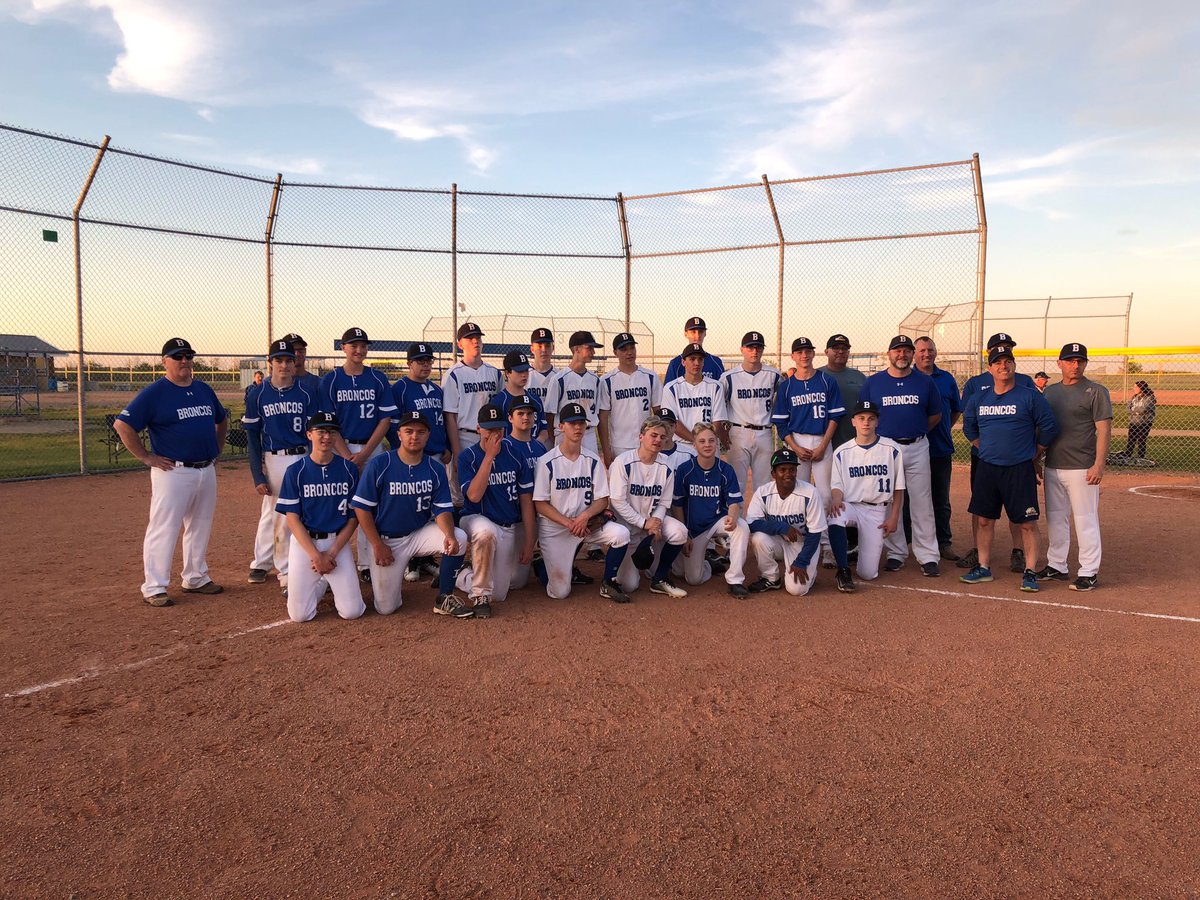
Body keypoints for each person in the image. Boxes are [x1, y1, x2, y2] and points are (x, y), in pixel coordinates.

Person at [113, 337, 228, 607]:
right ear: (165, 362)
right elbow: (123, 425)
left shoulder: (203, 389)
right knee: (164, 528)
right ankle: (154, 586)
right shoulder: (155, 392)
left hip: (205, 468)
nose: (185, 361)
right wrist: (146, 457)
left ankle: (196, 577)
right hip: (173, 471)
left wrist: (216, 449)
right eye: (178, 357)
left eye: (188, 356)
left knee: (200, 526)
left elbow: (221, 420)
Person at [351, 411, 472, 617]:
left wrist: (450, 535)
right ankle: (395, 581)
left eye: (420, 432)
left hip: (418, 534)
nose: (414, 436)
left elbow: (442, 509)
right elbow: (362, 508)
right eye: (409, 431)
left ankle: (444, 596)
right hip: (387, 541)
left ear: (428, 436)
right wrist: (377, 545)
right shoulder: (381, 464)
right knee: (386, 608)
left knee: (458, 537)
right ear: (399, 434)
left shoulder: (434, 467)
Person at [960, 346, 1058, 592]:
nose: (1003, 366)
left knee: (1027, 523)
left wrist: (1035, 454)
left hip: (1018, 469)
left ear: (1014, 365)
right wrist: (983, 447)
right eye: (998, 362)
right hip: (988, 468)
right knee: (984, 520)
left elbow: (1048, 426)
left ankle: (1030, 571)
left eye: (1008, 361)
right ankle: (983, 567)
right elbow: (969, 427)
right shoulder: (979, 398)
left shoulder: (1029, 395)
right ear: (990, 368)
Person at [859, 335, 943, 577]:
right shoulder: (874, 383)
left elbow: (935, 415)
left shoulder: (924, 382)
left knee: (921, 502)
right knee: (888, 500)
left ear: (912, 355)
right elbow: (865, 416)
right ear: (889, 354)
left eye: (907, 351)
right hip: (885, 447)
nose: (902, 355)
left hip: (917, 445)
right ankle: (896, 553)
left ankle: (928, 555)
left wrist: (915, 430)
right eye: (898, 351)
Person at [318, 327, 398, 580]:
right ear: (343, 348)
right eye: (353, 345)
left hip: (370, 449)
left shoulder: (377, 379)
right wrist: (347, 455)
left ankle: (365, 563)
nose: (359, 350)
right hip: (339, 449)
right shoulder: (330, 380)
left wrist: (364, 455)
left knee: (370, 505)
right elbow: (328, 424)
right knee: (335, 503)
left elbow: (386, 419)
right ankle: (328, 556)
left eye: (363, 345)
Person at [532, 402, 632, 602]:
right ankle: (541, 565)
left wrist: (584, 517)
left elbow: (603, 499)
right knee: (560, 592)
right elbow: (540, 504)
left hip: (586, 525)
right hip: (556, 529)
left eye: (581, 423)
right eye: (572, 423)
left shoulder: (593, 460)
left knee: (621, 534)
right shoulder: (547, 461)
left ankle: (608, 582)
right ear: (562, 426)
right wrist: (569, 523)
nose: (577, 428)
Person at [958, 333, 1038, 573]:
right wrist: (983, 444)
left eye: (1008, 349)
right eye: (998, 349)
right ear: (989, 356)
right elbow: (969, 418)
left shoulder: (1024, 381)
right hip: (984, 456)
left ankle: (1018, 551)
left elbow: (1036, 419)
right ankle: (978, 551)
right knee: (981, 505)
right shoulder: (975, 383)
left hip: (1018, 455)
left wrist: (1031, 449)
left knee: (1019, 506)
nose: (1003, 354)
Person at [275, 412, 366, 622]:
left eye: (332, 431)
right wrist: (316, 556)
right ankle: (321, 578)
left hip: (337, 543)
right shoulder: (296, 471)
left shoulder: (348, 469)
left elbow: (353, 518)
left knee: (352, 612)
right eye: (321, 431)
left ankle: (324, 578)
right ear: (309, 434)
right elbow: (292, 519)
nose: (327, 436)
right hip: (305, 544)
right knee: (300, 616)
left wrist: (331, 554)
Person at [244, 339, 318, 593]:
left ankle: (303, 565)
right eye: (279, 360)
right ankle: (285, 572)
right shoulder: (258, 394)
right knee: (280, 517)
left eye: (289, 359)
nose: (285, 365)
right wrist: (257, 473)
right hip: (274, 458)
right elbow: (252, 438)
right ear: (270, 362)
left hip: (303, 456)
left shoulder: (306, 392)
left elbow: (314, 432)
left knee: (305, 512)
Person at [1037, 343, 1112, 592]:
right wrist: (1038, 460)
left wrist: (1099, 464)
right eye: (1070, 360)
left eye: (1080, 360)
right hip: (1054, 465)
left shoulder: (1096, 391)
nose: (1075, 365)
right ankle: (1057, 564)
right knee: (1056, 518)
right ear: (1059, 364)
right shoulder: (1049, 393)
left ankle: (1089, 571)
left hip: (1082, 467)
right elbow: (1042, 429)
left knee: (1085, 519)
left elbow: (1103, 429)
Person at [454, 404, 537, 617]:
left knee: (503, 591)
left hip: (508, 525)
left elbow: (527, 501)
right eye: (489, 429)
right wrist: (489, 457)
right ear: (478, 428)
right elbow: (473, 496)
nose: (494, 434)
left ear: (505, 429)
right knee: (486, 532)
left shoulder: (515, 455)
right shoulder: (468, 457)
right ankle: (478, 592)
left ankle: (464, 574)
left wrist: (529, 542)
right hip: (476, 518)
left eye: (498, 429)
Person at [826, 401, 905, 593]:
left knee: (868, 573)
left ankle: (856, 551)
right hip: (852, 506)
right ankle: (843, 570)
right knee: (835, 515)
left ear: (877, 422)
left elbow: (899, 488)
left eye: (871, 418)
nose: (866, 423)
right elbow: (837, 486)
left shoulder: (892, 449)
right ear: (853, 422)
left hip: (877, 510)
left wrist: (893, 517)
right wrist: (836, 499)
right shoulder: (842, 452)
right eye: (861, 418)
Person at [608, 416, 690, 598]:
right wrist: (644, 523)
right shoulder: (623, 462)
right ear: (641, 437)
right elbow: (617, 501)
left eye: (662, 437)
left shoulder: (666, 466)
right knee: (629, 585)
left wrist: (656, 522)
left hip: (651, 524)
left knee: (679, 532)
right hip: (627, 528)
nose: (658, 440)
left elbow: (664, 503)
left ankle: (660, 579)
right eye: (653, 435)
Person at [671, 422, 751, 597]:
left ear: (717, 443)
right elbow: (677, 505)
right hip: (695, 530)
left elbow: (734, 501)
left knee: (742, 527)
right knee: (692, 579)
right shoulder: (685, 470)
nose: (707, 445)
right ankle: (707, 563)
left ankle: (735, 580)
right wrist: (685, 535)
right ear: (694, 444)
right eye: (702, 441)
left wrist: (732, 516)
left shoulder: (726, 469)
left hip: (718, 521)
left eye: (711, 440)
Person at [771, 336, 845, 518]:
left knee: (825, 494)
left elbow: (835, 417)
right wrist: (795, 448)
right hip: (797, 440)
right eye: (799, 352)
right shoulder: (787, 387)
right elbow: (780, 423)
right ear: (793, 356)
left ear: (813, 353)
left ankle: (825, 541)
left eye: (807, 351)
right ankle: (803, 537)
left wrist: (823, 445)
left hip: (822, 439)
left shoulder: (827, 381)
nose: (804, 355)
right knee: (798, 492)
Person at [745, 447, 828, 596]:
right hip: (778, 539)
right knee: (758, 538)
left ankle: (811, 574)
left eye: (792, 469)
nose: (788, 474)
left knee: (797, 590)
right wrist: (781, 527)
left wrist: (802, 561)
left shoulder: (810, 493)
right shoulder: (763, 492)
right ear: (773, 474)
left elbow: (815, 533)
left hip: (803, 543)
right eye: (782, 470)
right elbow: (752, 523)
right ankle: (771, 578)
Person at [911, 336, 961, 560]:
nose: (926, 354)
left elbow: (956, 410)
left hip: (938, 448)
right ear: (914, 353)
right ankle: (907, 542)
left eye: (930, 350)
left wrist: (942, 428)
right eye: (921, 350)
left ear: (936, 352)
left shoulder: (946, 379)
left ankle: (943, 542)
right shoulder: (906, 376)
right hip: (910, 450)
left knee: (940, 499)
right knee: (907, 499)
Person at [443, 322, 503, 506]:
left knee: (492, 484)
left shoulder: (494, 373)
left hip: (491, 435)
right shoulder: (454, 374)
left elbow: (501, 409)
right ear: (460, 344)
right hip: (465, 436)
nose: (475, 341)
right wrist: (457, 450)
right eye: (470, 338)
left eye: (478, 338)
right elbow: (450, 416)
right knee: (460, 494)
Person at [818, 333, 866, 559]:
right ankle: (829, 541)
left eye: (844, 348)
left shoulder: (858, 376)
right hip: (827, 444)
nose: (840, 352)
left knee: (856, 491)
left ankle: (853, 541)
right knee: (829, 494)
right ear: (826, 351)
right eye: (835, 348)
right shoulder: (818, 376)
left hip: (854, 443)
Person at [721, 330, 781, 499]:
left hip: (765, 432)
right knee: (737, 483)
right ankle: (737, 522)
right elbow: (719, 405)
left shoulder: (774, 375)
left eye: (758, 347)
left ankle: (760, 523)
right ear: (742, 349)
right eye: (750, 347)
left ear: (762, 350)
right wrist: (723, 432)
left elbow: (782, 399)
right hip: (738, 432)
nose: (754, 351)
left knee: (764, 484)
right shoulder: (729, 377)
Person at [599, 331, 662, 468]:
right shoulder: (607, 381)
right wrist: (606, 449)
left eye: (632, 348)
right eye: (623, 349)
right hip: (620, 445)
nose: (629, 353)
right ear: (615, 352)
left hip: (647, 442)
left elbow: (658, 412)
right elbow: (603, 418)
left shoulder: (650, 377)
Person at [545, 331, 605, 454]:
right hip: (564, 434)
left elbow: (598, 413)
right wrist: (554, 439)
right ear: (577, 349)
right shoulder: (559, 379)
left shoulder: (595, 380)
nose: (593, 352)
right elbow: (549, 415)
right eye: (589, 348)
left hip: (588, 435)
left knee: (590, 471)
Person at [662, 342, 728, 453]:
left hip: (708, 446)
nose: (696, 363)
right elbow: (673, 422)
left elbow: (717, 421)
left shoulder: (716, 386)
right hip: (681, 446)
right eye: (692, 359)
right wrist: (696, 440)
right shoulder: (671, 388)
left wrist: (704, 441)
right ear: (683, 362)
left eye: (700, 359)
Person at [491, 350, 549, 445]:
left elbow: (544, 430)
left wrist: (537, 444)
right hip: (509, 452)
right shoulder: (499, 402)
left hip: (533, 452)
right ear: (508, 373)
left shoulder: (535, 400)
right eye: (519, 371)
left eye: (526, 370)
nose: (524, 375)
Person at [664, 316, 726, 383]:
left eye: (700, 332)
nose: (697, 336)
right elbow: (669, 389)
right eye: (693, 332)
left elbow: (721, 389)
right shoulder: (676, 363)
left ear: (705, 333)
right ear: (686, 334)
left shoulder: (715, 362)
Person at [526, 326, 558, 408]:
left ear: (553, 348)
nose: (544, 350)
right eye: (539, 346)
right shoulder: (524, 375)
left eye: (547, 346)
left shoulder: (559, 376)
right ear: (532, 349)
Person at [1125, 380, 1156, 459]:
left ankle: (1140, 457)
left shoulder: (1150, 397)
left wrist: (1133, 410)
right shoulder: (1134, 397)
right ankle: (1128, 455)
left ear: (1141, 388)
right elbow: (1128, 408)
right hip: (1134, 422)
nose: (1134, 388)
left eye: (1136, 387)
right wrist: (1136, 411)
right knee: (1131, 439)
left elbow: (1144, 409)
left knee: (1141, 440)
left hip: (1145, 422)